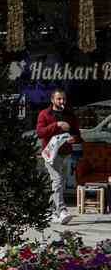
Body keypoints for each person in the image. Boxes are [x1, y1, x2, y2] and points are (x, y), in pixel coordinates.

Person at [36, 88, 84, 224]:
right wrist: (56, 125)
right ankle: (62, 211)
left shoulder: (70, 114)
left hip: (65, 153)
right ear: (52, 100)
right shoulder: (44, 114)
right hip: (50, 154)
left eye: (63, 98)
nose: (62, 101)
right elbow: (40, 133)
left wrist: (74, 139)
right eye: (59, 99)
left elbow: (77, 134)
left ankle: (52, 211)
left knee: (59, 182)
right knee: (57, 180)